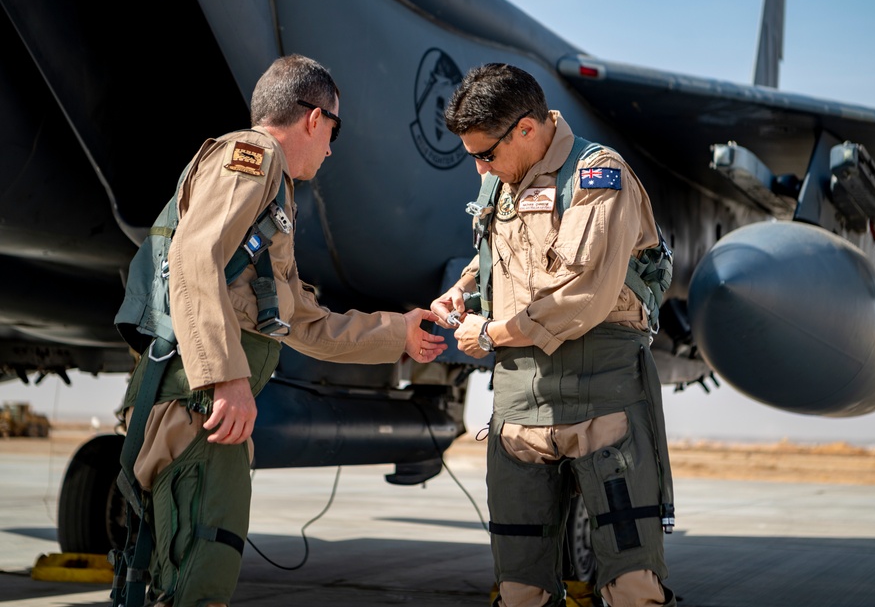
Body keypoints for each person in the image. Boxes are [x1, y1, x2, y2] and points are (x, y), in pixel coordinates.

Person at [117, 53, 445, 607]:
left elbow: (302, 322)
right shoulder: (254, 156)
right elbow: (196, 257)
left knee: (189, 565)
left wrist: (400, 333)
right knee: (199, 573)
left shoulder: (274, 193)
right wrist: (227, 379)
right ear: (314, 119)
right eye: (333, 130)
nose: (331, 148)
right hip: (201, 406)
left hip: (202, 408)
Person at [431, 63, 677, 607]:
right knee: (520, 588)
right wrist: (463, 292)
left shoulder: (597, 176)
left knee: (631, 584)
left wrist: (490, 333)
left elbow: (584, 295)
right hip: (521, 402)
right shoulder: (502, 181)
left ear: (526, 128)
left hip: (602, 398)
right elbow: (498, 257)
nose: (478, 168)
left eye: (486, 154)